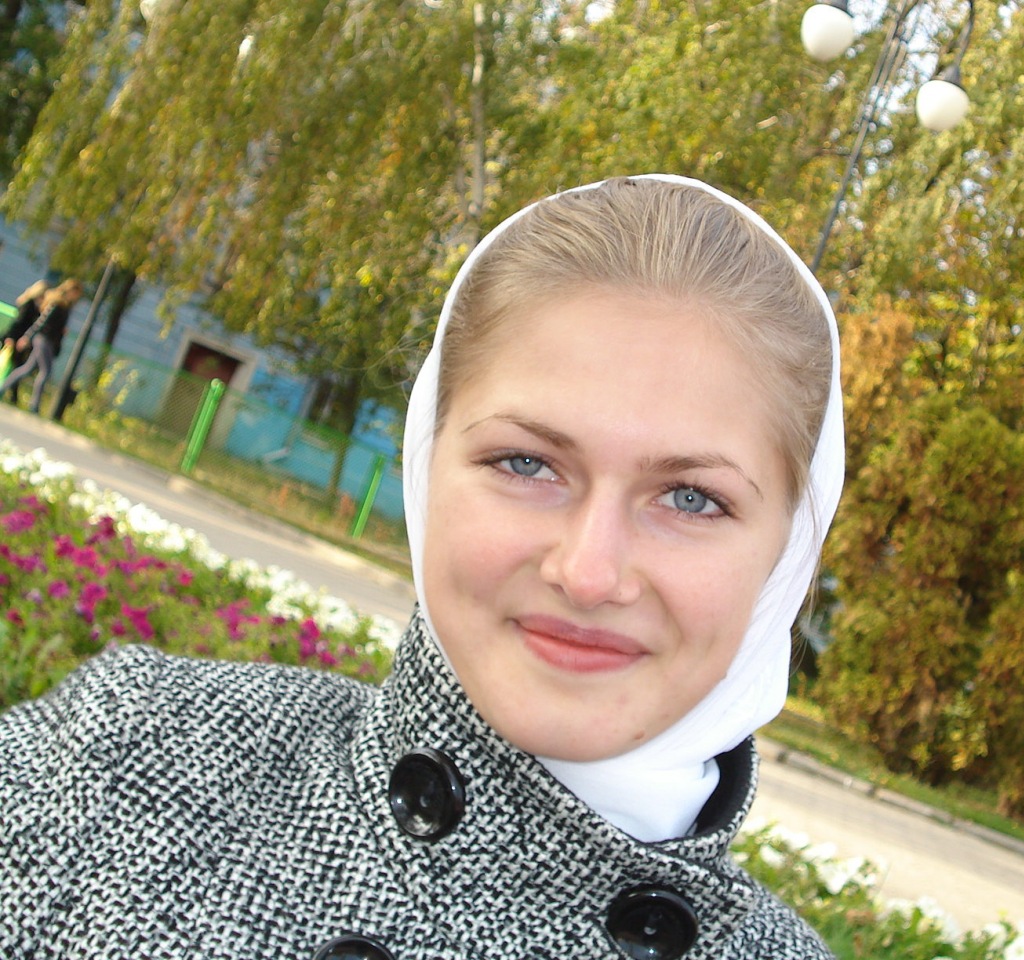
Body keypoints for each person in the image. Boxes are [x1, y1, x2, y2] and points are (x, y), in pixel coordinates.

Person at [0, 176, 844, 959]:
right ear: (425, 465)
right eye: (526, 463)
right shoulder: (124, 757)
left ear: (787, 555)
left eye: (692, 499)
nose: (589, 574)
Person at [0, 277, 84, 413]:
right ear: (70, 291)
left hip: (48, 340)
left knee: (27, 368)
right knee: (45, 371)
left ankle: (3, 388)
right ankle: (34, 405)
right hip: (43, 340)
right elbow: (41, 322)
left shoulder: (65, 306)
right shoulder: (57, 303)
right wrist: (27, 337)